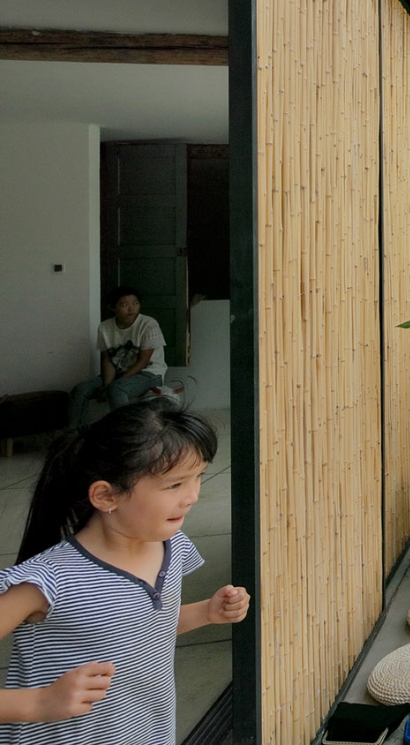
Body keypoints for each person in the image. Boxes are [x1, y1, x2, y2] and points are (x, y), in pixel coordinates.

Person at [0, 398, 250, 742]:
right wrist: (38, 702)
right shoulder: (47, 581)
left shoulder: (171, 546)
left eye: (198, 477)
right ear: (105, 496)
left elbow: (138, 627)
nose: (192, 496)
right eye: (175, 484)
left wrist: (206, 613)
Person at [67, 287, 168, 429]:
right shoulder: (104, 327)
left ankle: (124, 433)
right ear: (112, 308)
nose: (131, 309)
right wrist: (106, 384)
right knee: (80, 389)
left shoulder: (149, 324)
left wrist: (114, 384)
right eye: (124, 305)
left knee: (117, 389)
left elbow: (143, 361)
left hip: (149, 373)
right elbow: (108, 360)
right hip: (117, 373)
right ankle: (74, 435)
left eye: (135, 303)